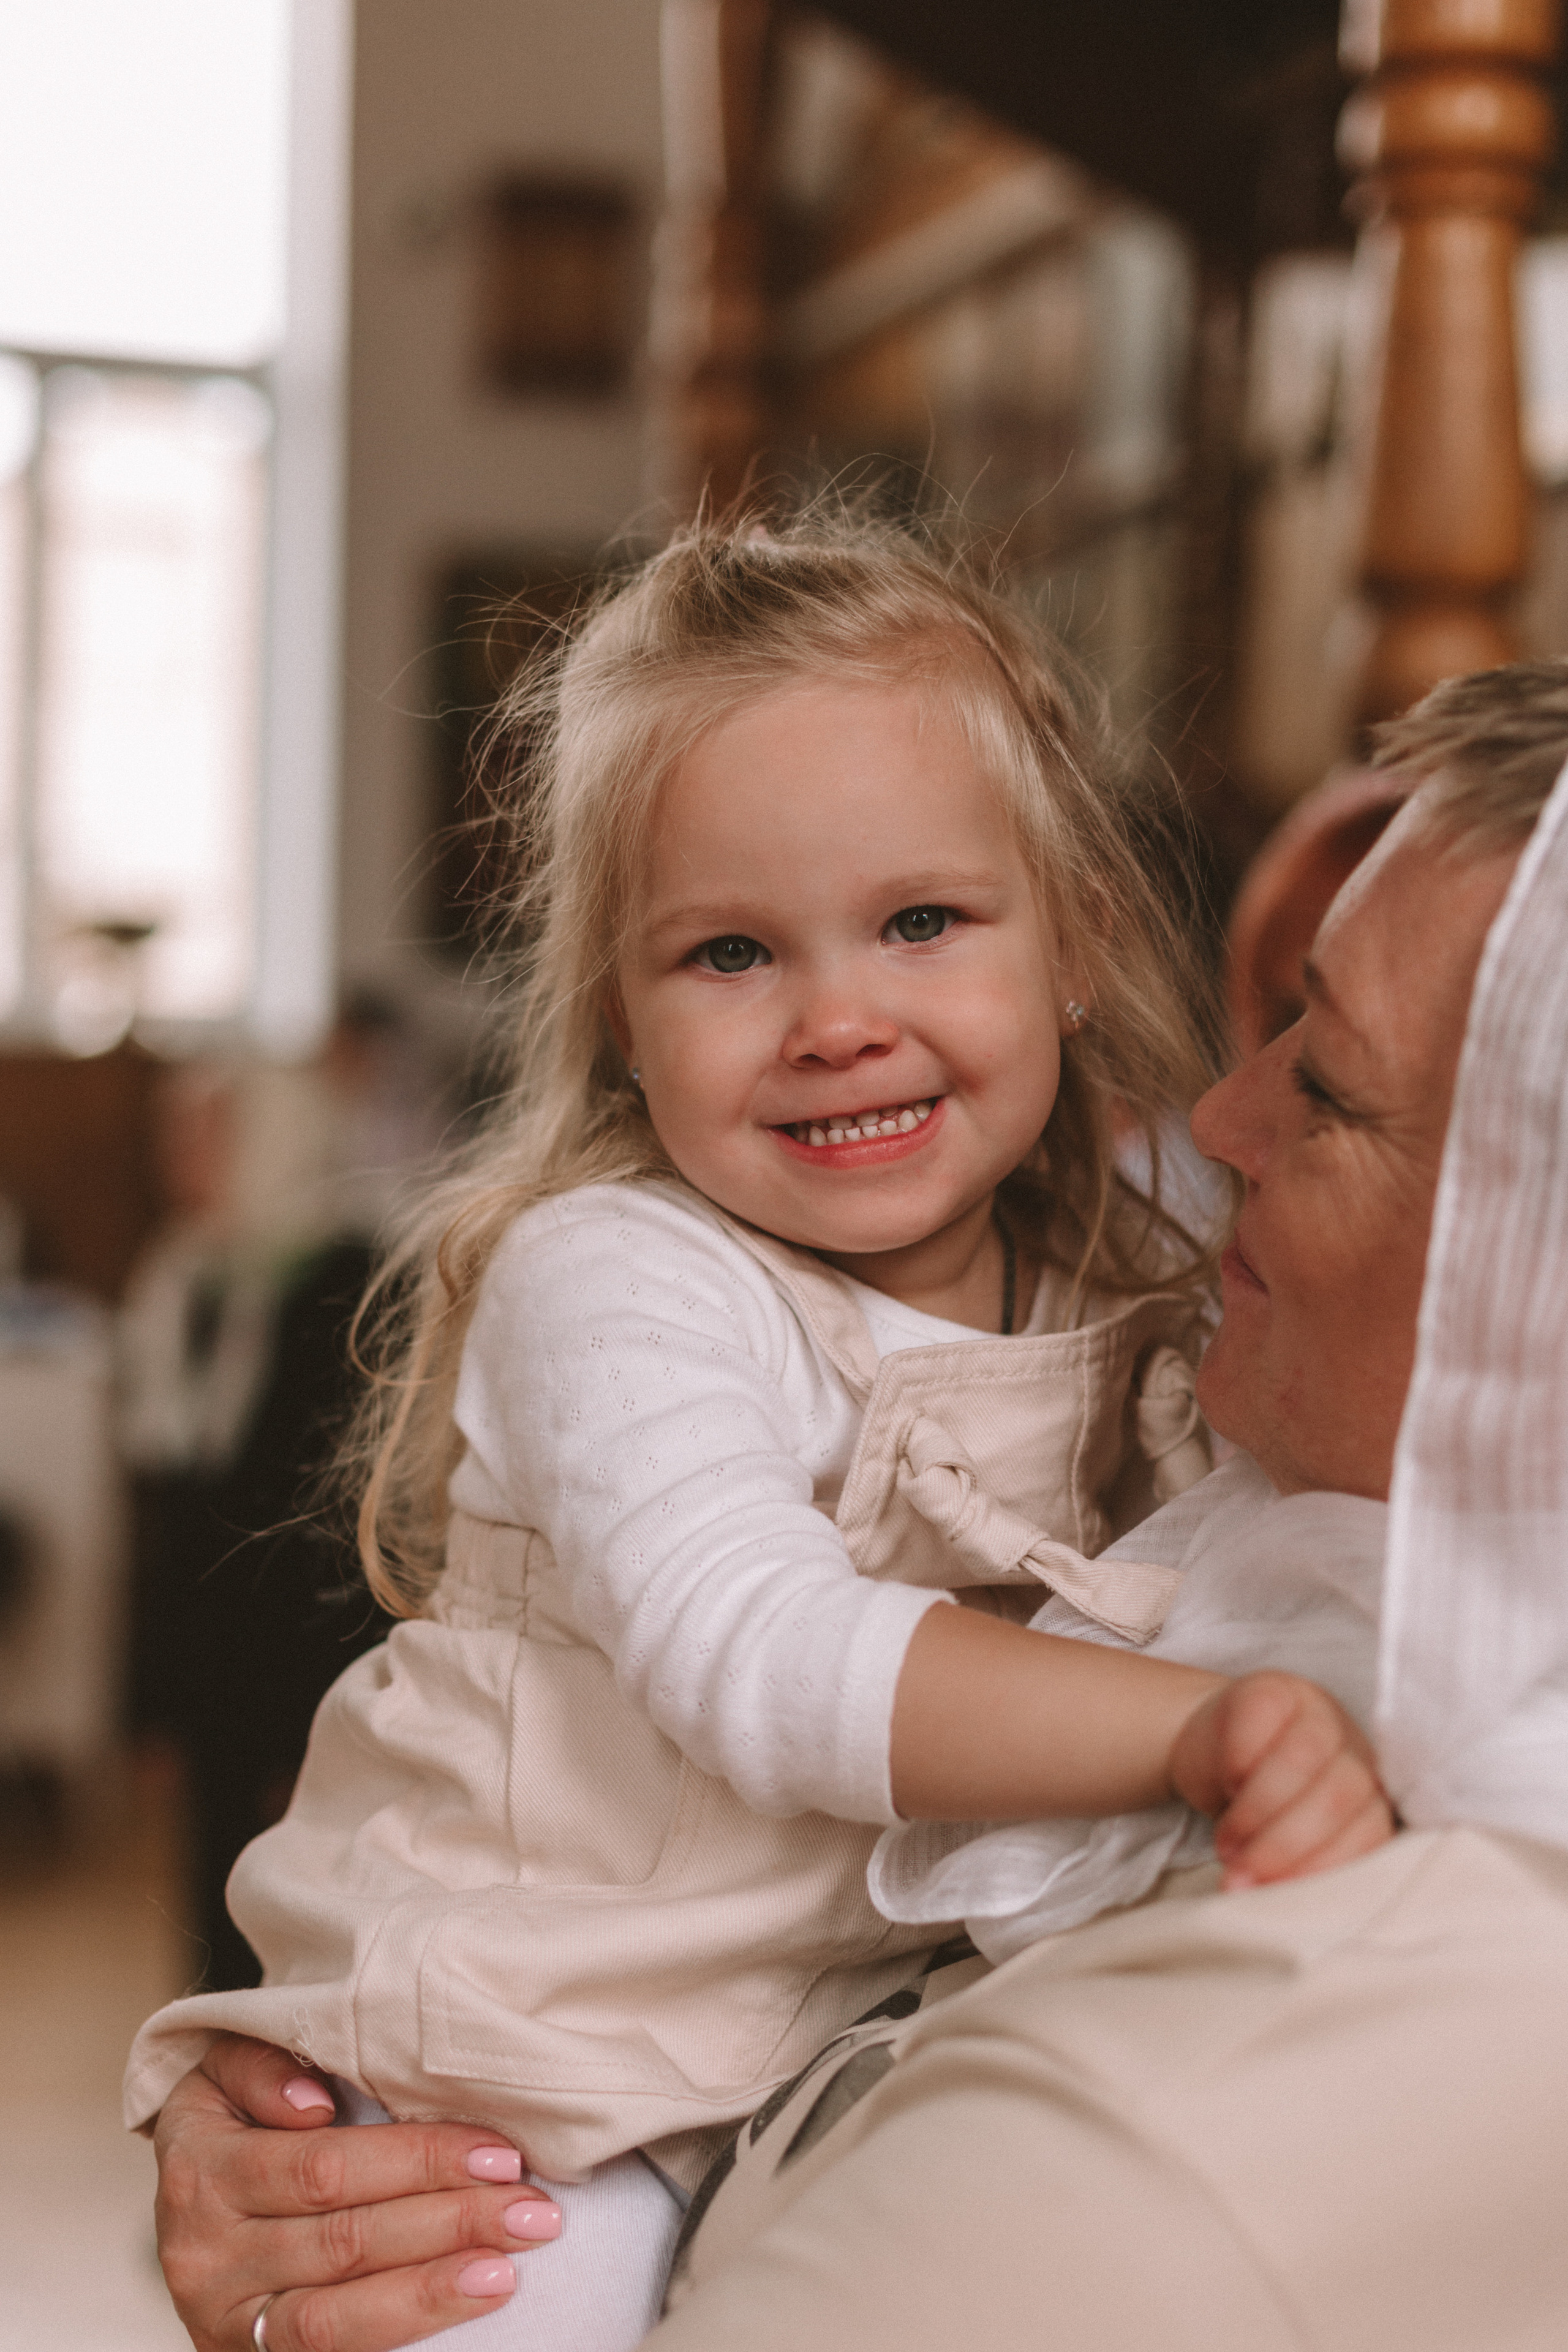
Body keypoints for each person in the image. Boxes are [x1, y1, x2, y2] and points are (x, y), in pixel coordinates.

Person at [143, 657, 1568, 2352]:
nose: (1221, 1115)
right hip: (534, 2080)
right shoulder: (624, 1272)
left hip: (716, 2071)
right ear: (613, 1003)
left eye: (1323, 1080)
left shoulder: (1127, 1311)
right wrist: (1211, 1726)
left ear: (1078, 946)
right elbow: (763, 1643)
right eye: (730, 951)